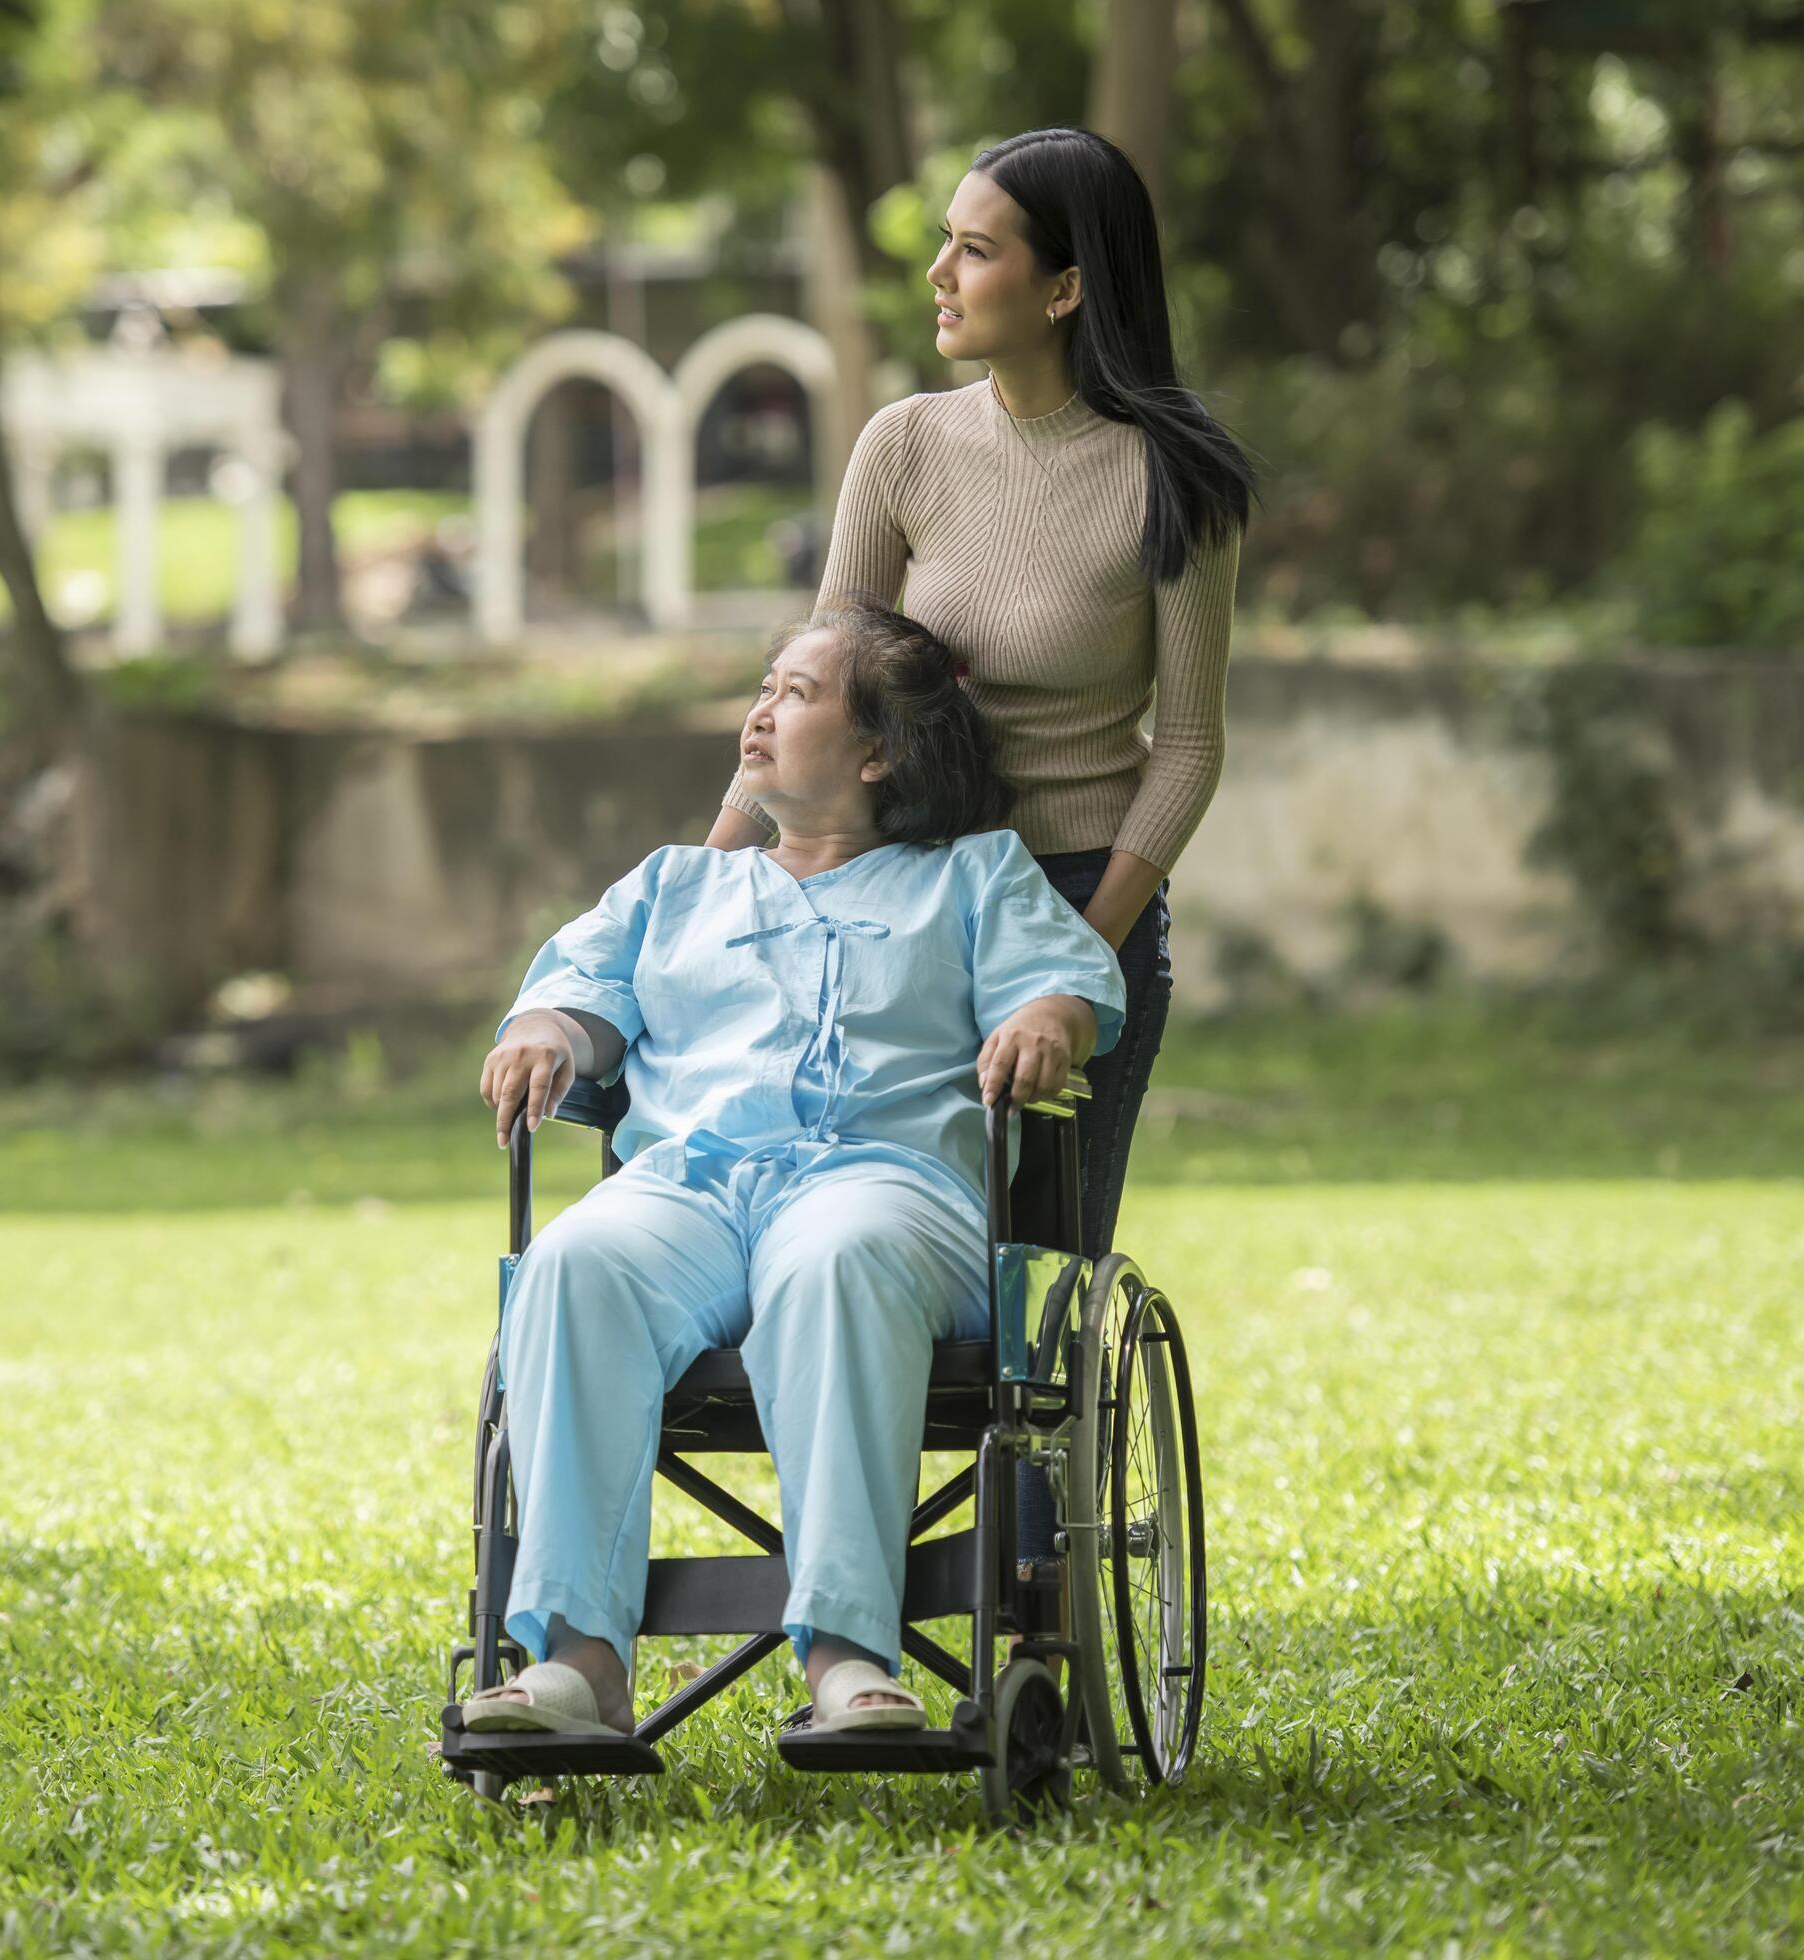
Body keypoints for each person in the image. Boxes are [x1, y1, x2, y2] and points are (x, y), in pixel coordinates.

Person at [462, 604, 1126, 1740]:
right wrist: (548, 1032)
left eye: (799, 692)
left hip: (888, 1185)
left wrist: (1046, 1023)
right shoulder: (677, 885)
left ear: (876, 753)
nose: (761, 710)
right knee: (573, 1260)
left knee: (836, 1259)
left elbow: (1062, 982)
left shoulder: (970, 877)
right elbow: (576, 989)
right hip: (692, 1186)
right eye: (763, 686)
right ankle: (578, 1662)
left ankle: (849, 1655)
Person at [708, 127, 1256, 1266]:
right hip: (900, 895)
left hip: (1073, 889)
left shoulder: (1174, 478)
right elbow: (814, 689)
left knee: (1031, 1276)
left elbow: (1190, 747)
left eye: (973, 249)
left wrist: (1075, 958)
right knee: (852, 1228)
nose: (938, 275)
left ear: (1064, 288)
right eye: (944, 245)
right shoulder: (904, 444)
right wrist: (717, 877)